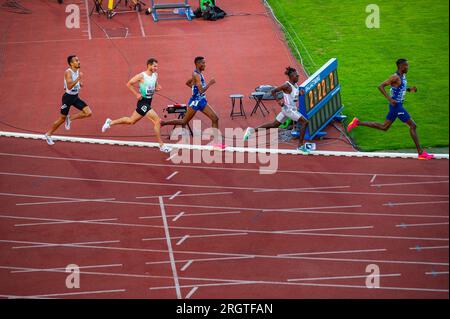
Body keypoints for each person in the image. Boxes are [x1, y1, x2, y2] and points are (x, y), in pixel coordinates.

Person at [347, 59, 434, 160]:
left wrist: (409, 89)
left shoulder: (403, 76)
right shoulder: (395, 77)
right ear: (401, 66)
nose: (408, 67)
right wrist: (390, 99)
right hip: (397, 106)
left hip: (396, 106)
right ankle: (421, 153)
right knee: (413, 126)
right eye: (406, 66)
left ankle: (357, 122)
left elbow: (399, 88)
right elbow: (380, 86)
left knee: (384, 127)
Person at [101, 58, 171, 153]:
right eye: (154, 66)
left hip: (148, 101)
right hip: (143, 102)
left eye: (157, 66)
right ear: (149, 65)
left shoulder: (155, 75)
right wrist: (136, 94)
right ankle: (162, 145)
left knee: (131, 121)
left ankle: (110, 122)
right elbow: (129, 84)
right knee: (157, 121)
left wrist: (157, 88)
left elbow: (154, 86)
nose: (156, 68)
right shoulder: (141, 76)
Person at [243, 66, 310, 153]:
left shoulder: (296, 85)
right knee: (305, 122)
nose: (298, 77)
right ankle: (300, 146)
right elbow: (273, 91)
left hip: (288, 110)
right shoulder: (286, 86)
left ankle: (251, 131)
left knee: (274, 125)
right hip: (289, 110)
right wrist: (278, 101)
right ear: (291, 77)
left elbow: (293, 97)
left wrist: (300, 94)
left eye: (298, 75)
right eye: (296, 76)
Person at [160, 56, 223, 148]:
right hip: (195, 102)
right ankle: (163, 123)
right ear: (198, 64)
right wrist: (210, 83)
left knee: (215, 118)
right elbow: (201, 90)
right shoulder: (196, 75)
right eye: (203, 63)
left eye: (205, 63)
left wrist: (194, 89)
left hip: (201, 101)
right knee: (183, 121)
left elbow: (188, 83)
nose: (205, 65)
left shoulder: (198, 74)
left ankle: (216, 143)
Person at [44, 55, 92, 145]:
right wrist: (79, 78)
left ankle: (69, 118)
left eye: (78, 60)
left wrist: (79, 83)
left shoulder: (77, 70)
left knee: (88, 113)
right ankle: (48, 134)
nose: (79, 61)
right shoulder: (68, 72)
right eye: (76, 60)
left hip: (75, 97)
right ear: (71, 63)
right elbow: (69, 86)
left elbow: (72, 83)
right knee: (61, 119)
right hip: (68, 98)